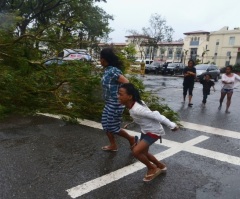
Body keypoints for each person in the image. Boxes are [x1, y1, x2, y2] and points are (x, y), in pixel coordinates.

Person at [118, 83, 179, 182]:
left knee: (136, 151)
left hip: (154, 131)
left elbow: (156, 115)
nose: (118, 96)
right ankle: (160, 165)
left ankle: (151, 168)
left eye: (120, 94)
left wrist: (172, 125)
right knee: (143, 153)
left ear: (129, 97)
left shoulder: (137, 109)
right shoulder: (133, 105)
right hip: (146, 130)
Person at [100, 48, 137, 152]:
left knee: (112, 127)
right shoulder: (108, 70)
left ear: (104, 59)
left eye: (100, 58)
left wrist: (125, 98)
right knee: (105, 124)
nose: (100, 60)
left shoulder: (113, 71)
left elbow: (127, 83)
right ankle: (113, 145)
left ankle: (131, 139)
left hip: (116, 103)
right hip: (109, 102)